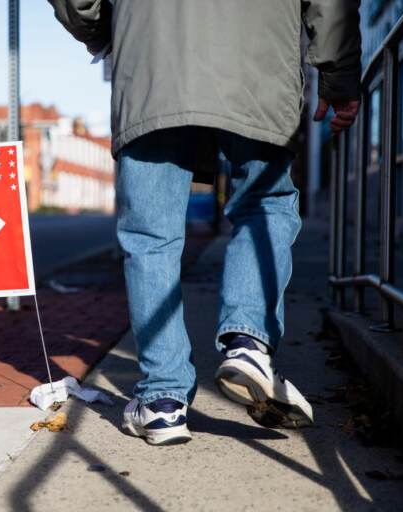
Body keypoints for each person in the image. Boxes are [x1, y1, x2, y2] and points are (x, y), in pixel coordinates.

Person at [48, 0, 361, 445]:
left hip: (153, 62)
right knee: (263, 203)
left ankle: (162, 401)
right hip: (260, 62)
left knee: (150, 236)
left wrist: (105, 28)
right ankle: (248, 343)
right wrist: (340, 74)